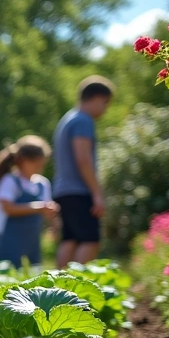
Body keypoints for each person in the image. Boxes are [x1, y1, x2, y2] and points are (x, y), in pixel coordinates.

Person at [53, 75, 114, 266]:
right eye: (105, 103)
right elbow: (83, 159)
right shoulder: (83, 121)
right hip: (79, 191)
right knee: (90, 240)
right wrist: (97, 193)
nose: (105, 109)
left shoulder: (68, 119)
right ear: (96, 98)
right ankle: (77, 290)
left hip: (64, 190)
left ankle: (57, 290)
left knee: (70, 240)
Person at [0, 136, 57, 266]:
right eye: (36, 163)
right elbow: (7, 208)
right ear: (23, 161)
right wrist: (38, 208)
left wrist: (53, 221)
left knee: (34, 272)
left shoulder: (42, 183)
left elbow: (47, 210)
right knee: (8, 272)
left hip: (33, 240)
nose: (40, 166)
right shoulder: (10, 181)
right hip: (12, 240)